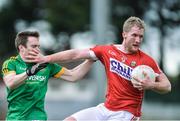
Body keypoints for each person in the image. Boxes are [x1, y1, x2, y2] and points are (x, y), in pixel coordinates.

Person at [27, 16, 171, 121]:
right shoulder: (107, 51)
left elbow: (167, 86)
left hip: (127, 114)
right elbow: (76, 53)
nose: (138, 40)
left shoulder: (146, 61)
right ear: (124, 34)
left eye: (141, 36)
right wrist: (47, 58)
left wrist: (151, 84)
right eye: (134, 35)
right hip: (105, 109)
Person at [1, 30, 94, 120]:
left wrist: (91, 59)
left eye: (38, 46)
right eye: (34, 46)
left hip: (37, 117)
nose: (37, 49)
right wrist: (30, 72)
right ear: (21, 48)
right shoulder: (11, 63)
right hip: (15, 118)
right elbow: (10, 82)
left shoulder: (46, 65)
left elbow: (74, 76)